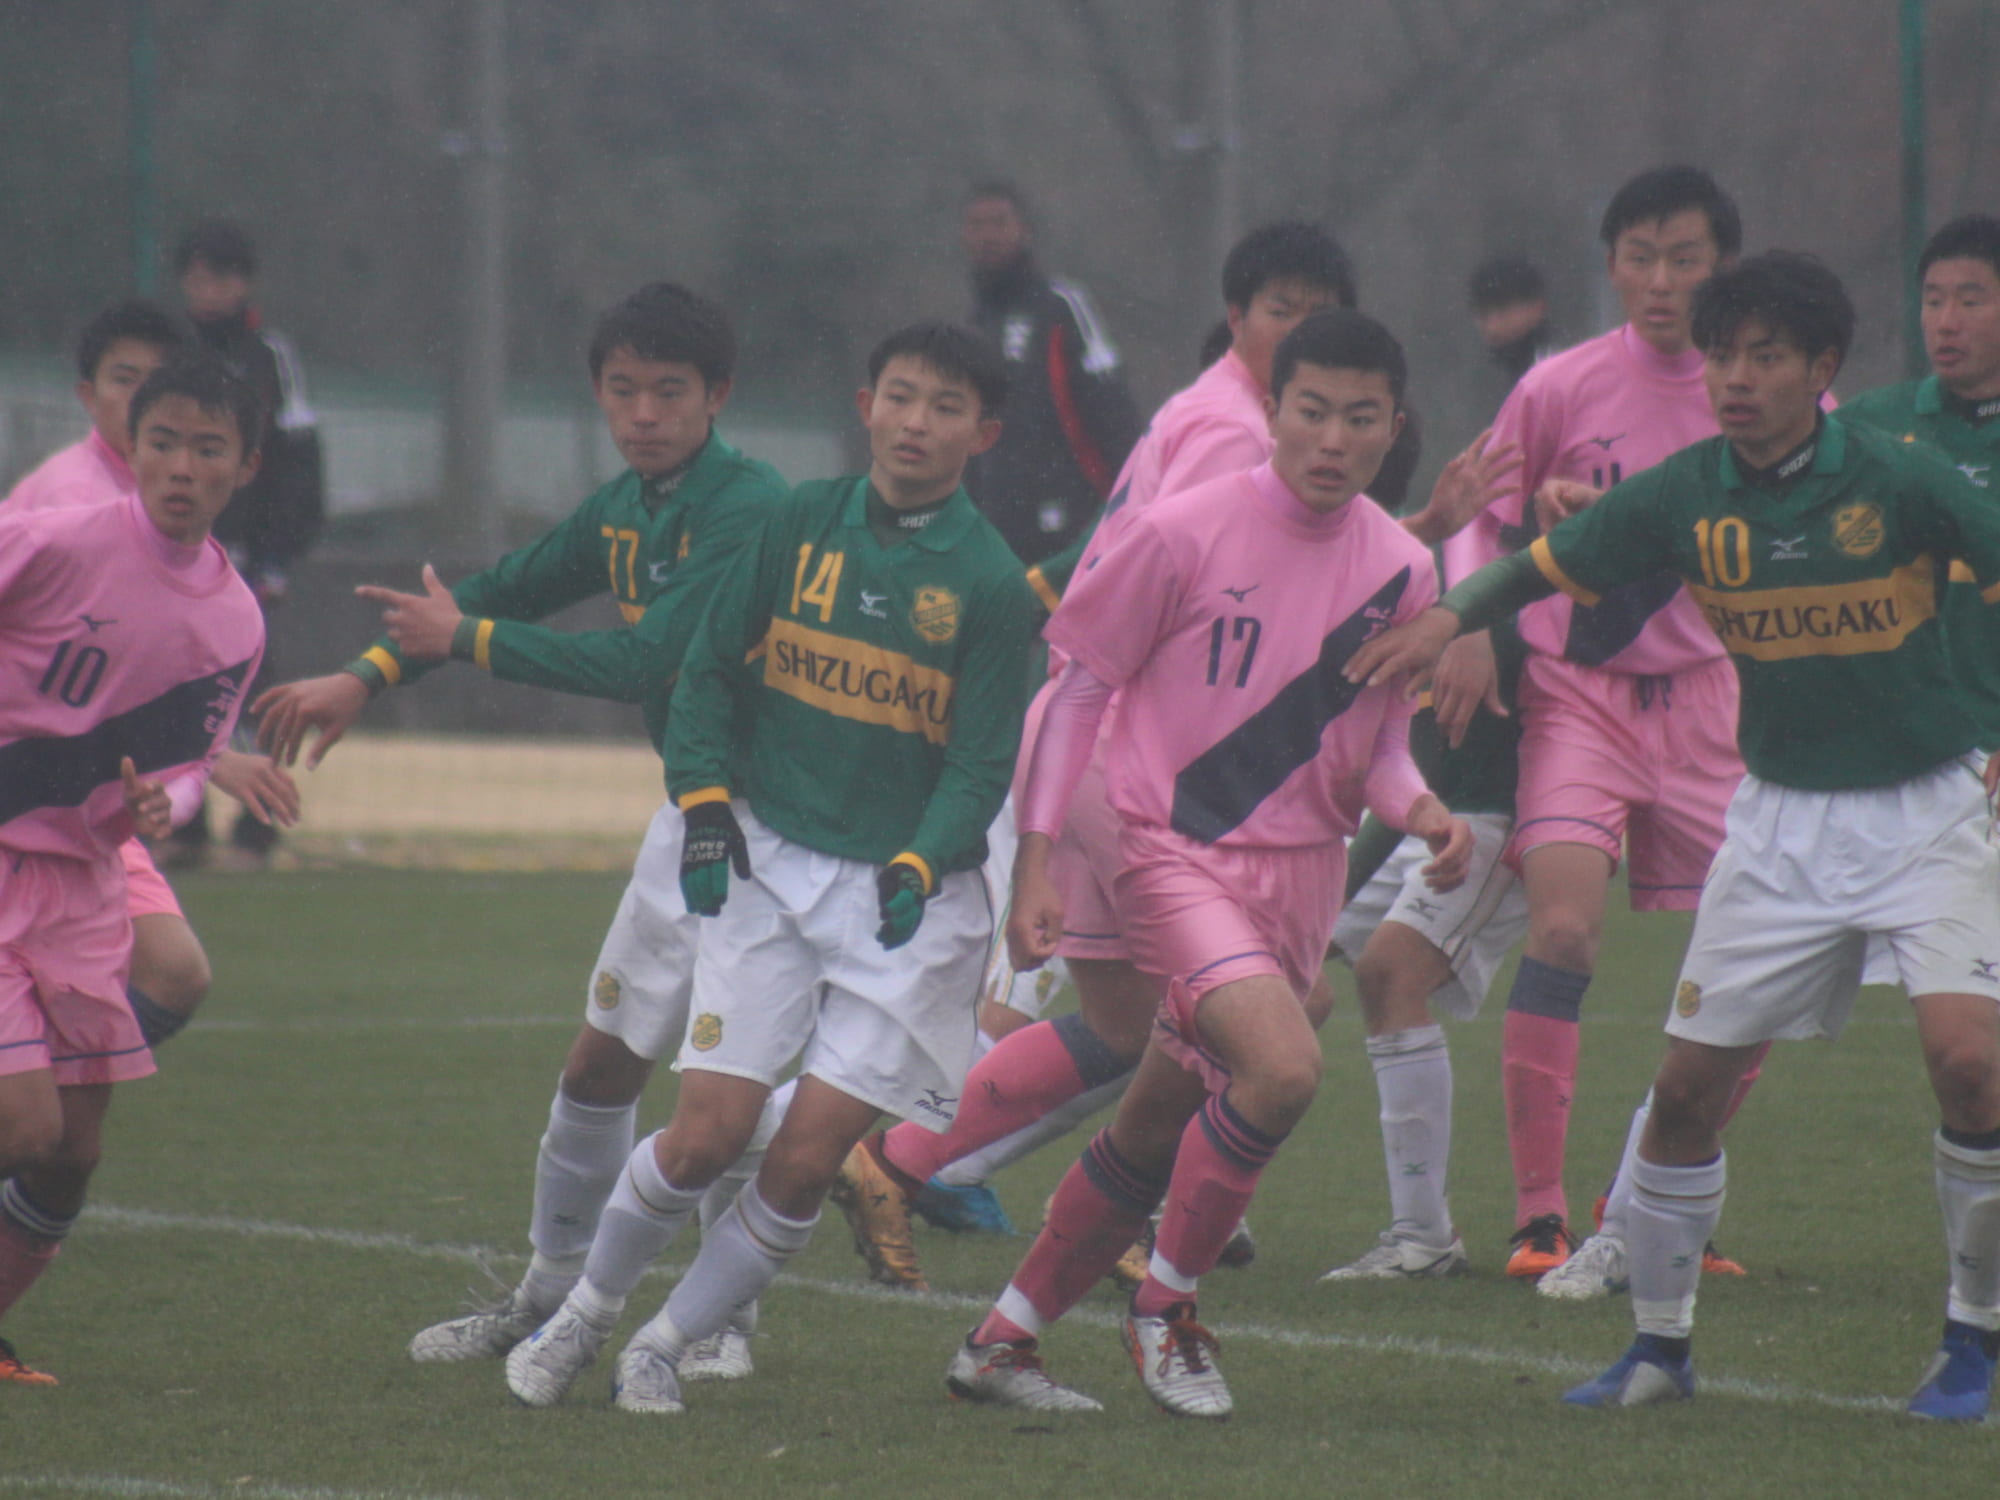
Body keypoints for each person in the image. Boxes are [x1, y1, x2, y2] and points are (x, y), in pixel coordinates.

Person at [1347, 251, 2000, 1421]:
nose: (1735, 379)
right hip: (1780, 823)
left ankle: (1971, 1343)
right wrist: (1443, 616)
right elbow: (1540, 566)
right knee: (1683, 1093)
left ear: (1820, 369)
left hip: (1924, 813)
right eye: (1721, 356)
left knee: (1969, 1064)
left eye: (1764, 356)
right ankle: (1658, 1348)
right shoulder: (1685, 490)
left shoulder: (1898, 483)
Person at [834, 223, 1515, 1292]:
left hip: (1131, 754)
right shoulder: (1224, 438)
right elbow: (1211, 598)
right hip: (1134, 763)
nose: (1300, 329)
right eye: (1278, 306)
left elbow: (1316, 577)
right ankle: (1129, 1233)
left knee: (1130, 1027)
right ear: (1236, 317)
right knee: (1250, 1032)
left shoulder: (1239, 423)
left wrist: (1424, 546)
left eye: (1317, 306)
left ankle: (908, 1163)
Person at [500, 322, 1040, 1417]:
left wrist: (920, 859)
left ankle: (662, 1344)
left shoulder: (987, 585)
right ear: (864, 404)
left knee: (801, 1159)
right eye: (899, 396)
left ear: (981, 433)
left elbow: (981, 765)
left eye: (944, 407)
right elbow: (704, 670)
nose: (915, 423)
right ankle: (582, 1316)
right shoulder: (799, 523)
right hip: (773, 862)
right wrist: (702, 804)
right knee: (703, 1133)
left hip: (905, 905)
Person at [254, 283, 790, 1382]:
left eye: (668, 391)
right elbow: (505, 587)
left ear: (717, 396)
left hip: (782, 837)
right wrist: (370, 672)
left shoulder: (748, 507)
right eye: (622, 388)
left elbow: (652, 664)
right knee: (598, 1067)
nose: (641, 412)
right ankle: (542, 1295)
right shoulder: (628, 504)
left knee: (724, 1092)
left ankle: (722, 1323)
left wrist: (472, 640)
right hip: (689, 816)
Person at [944, 310, 1472, 1419]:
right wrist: (1036, 861)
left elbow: (1373, 745)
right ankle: (1166, 1305)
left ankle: (1001, 1342)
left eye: (1358, 417)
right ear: (1271, 411)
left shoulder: (1401, 565)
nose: (1331, 437)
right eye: (1310, 410)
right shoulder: (1180, 530)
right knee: (1278, 1069)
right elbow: (1078, 689)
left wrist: (1422, 810)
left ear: (1394, 426)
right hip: (1168, 854)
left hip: (1301, 876)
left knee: (1148, 1121)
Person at [1441, 166, 1760, 1278]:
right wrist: (1475, 627)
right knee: (1564, 929)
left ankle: (1649, 1203)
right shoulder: (1556, 386)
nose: (1660, 280)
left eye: (1684, 257)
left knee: (1765, 956)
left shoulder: (1764, 395)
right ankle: (1538, 1218)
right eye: (1638, 255)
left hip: (1716, 703)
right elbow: (1478, 530)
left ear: (1722, 264)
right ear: (1609, 263)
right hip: (1580, 697)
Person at [0, 356, 267, 1385]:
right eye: (162, 443)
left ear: (244, 465)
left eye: (206, 450)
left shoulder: (234, 622)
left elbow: (182, 766)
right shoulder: (63, 539)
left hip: (84, 880)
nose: (180, 467)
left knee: (72, 1151)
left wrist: (163, 805)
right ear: (134, 448)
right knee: (23, 1124)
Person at [4, 300, 299, 1054]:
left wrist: (191, 771)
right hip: (37, 800)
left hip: (92, 811)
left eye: (204, 441)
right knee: (163, 975)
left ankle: (46, 1096)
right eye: (126, 379)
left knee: (175, 977)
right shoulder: (71, 509)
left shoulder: (202, 556)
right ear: (96, 398)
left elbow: (160, 680)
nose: (182, 459)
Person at [167, 219, 325, 868]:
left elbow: (300, 465)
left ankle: (258, 829)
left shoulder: (270, 359)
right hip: (177, 555)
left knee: (253, 691)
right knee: (174, 685)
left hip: (247, 563)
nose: (210, 291)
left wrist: (278, 556)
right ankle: (184, 823)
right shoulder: (172, 355)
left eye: (223, 277)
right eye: (199, 277)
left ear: (246, 284)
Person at [1838, 212, 2000, 739]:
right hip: (1906, 746)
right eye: (1933, 301)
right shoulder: (1870, 427)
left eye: (1970, 301)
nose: (1946, 321)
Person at [961, 179, 1141, 565]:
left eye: (999, 222)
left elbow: (1115, 413)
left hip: (1070, 532)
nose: (987, 235)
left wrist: (1131, 507)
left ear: (1024, 230)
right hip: (994, 538)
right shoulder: (971, 326)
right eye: (977, 225)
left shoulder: (1062, 308)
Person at [1468, 255, 1554, 391]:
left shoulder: (1556, 376)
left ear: (1537, 307)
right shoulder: (1483, 382)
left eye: (1502, 309)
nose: (1492, 325)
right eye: (1483, 313)